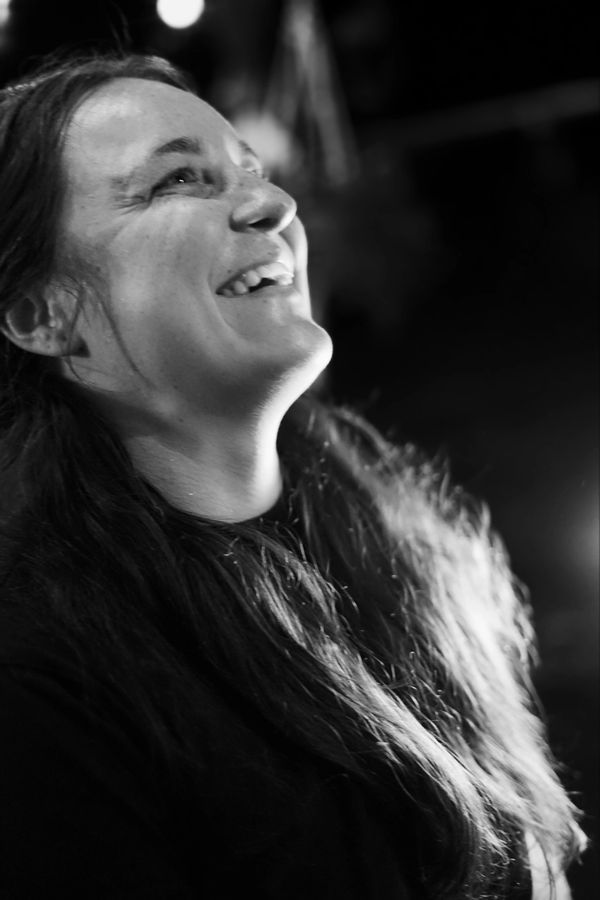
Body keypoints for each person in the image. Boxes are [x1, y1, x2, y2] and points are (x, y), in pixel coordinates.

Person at [0, 52, 586, 899]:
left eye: (253, 172)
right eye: (177, 181)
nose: (274, 204)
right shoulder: (43, 680)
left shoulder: (413, 547)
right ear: (41, 314)